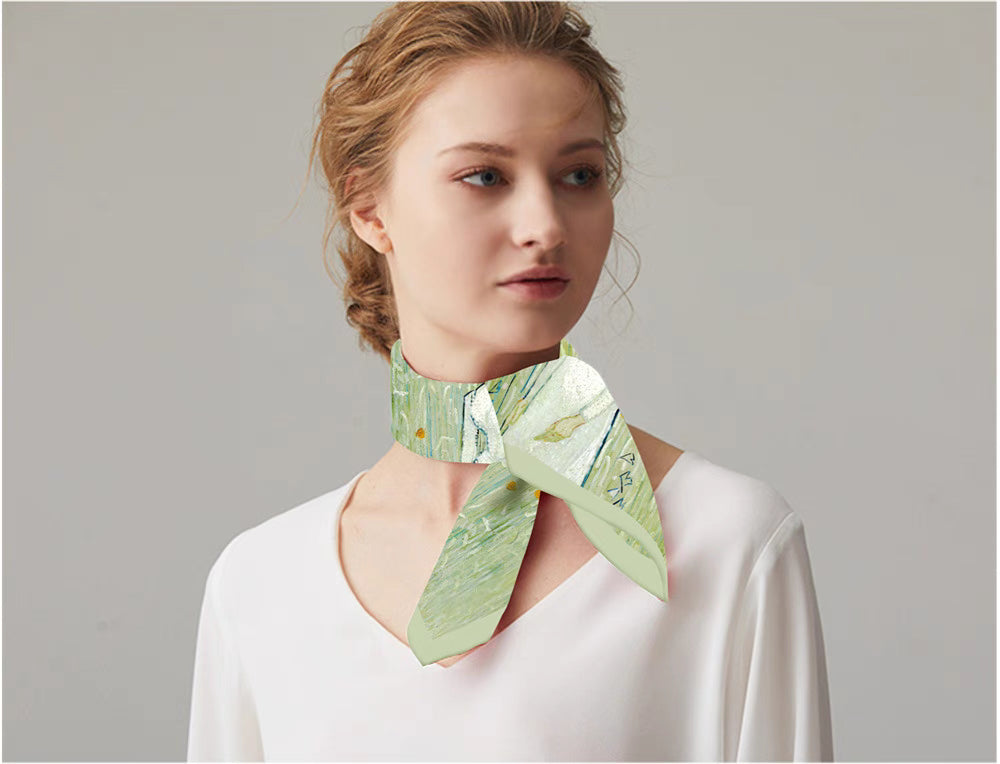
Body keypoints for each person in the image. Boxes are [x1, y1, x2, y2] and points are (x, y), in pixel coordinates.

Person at [186, 2, 834, 761]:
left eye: (579, 175)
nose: (545, 226)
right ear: (368, 208)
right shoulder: (260, 584)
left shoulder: (727, 541)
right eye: (485, 175)